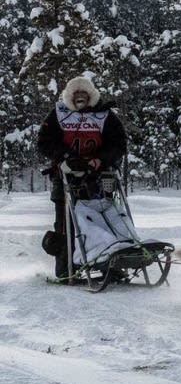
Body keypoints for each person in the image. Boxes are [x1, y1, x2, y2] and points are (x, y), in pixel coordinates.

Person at [37, 76, 127, 278]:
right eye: (76, 93)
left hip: (98, 176)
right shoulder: (59, 114)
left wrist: (100, 159)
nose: (80, 97)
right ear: (69, 96)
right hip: (66, 176)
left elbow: (119, 142)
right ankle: (66, 268)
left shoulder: (104, 115)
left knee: (105, 218)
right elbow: (43, 142)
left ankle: (110, 265)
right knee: (65, 224)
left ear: (91, 95)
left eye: (84, 93)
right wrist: (65, 158)